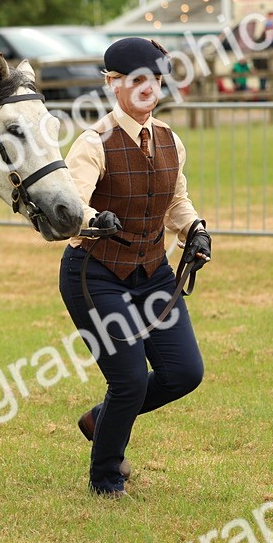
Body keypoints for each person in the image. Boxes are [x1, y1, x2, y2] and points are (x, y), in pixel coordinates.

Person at [59, 37, 212, 498]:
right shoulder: (92, 144)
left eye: (156, 79)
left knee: (184, 373)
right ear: (114, 86)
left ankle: (100, 421)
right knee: (126, 379)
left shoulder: (169, 139)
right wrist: (93, 220)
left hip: (154, 272)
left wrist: (195, 229)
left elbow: (176, 202)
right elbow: (70, 208)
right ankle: (105, 478)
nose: (150, 88)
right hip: (95, 274)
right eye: (138, 80)